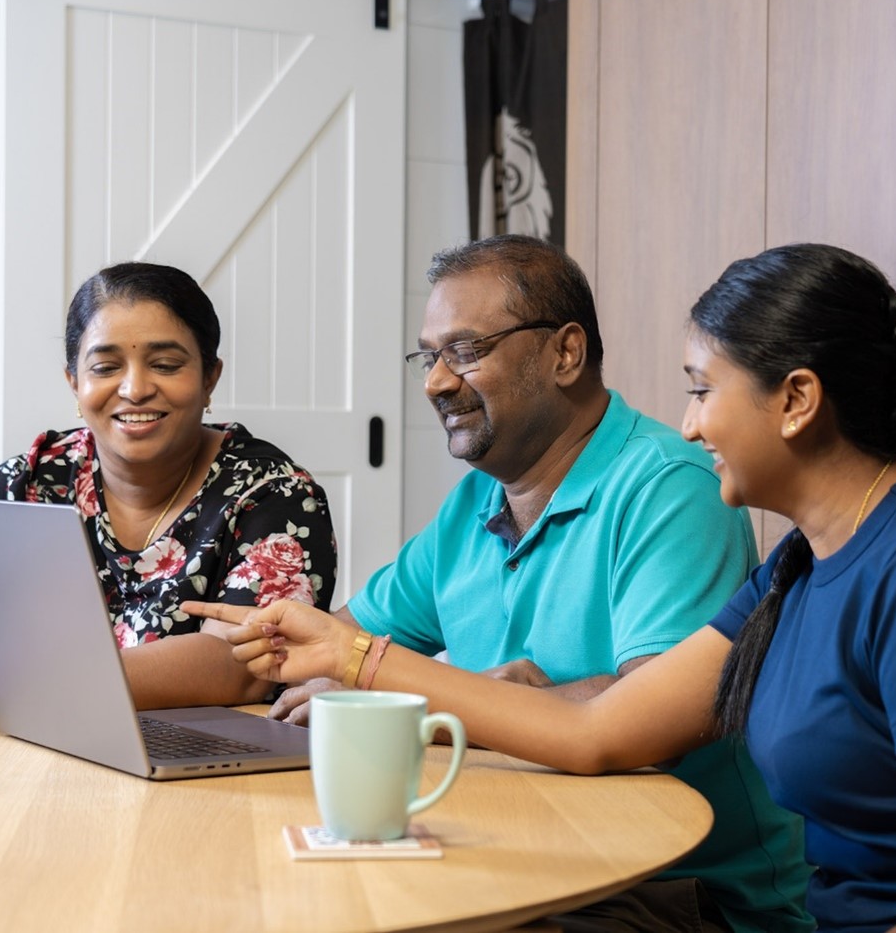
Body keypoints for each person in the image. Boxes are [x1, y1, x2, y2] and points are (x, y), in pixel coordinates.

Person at [187, 242, 896, 932]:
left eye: (701, 390)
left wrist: (357, 657)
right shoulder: (795, 569)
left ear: (794, 400)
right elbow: (595, 733)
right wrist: (352, 653)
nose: (686, 423)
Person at [268, 235, 813, 933]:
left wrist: (418, 698)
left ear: (564, 353)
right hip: (523, 860)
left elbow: (651, 717)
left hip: (676, 892)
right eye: (428, 356)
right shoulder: (471, 504)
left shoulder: (669, 486)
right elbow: (334, 642)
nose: (436, 381)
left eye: (465, 351)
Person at [0, 262, 338, 727]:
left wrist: (25, 674)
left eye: (165, 364)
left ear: (209, 378)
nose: (135, 388)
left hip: (200, 767)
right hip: (35, 757)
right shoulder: (26, 484)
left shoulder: (273, 495)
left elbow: (240, 663)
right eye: (105, 367)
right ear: (74, 383)